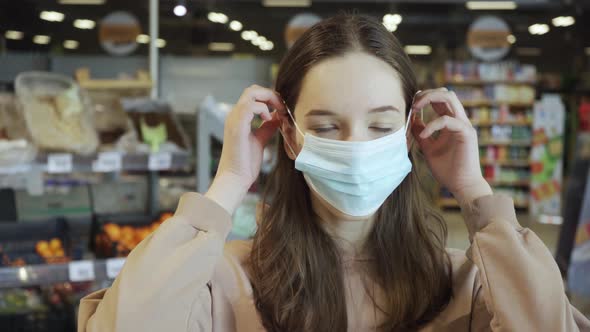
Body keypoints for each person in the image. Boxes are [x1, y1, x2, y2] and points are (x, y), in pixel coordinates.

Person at [78, 14, 590, 332]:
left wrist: (476, 193)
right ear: (290, 134)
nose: (355, 147)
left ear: (411, 133)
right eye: (326, 125)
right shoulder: (223, 281)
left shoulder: (468, 282)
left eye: (380, 125)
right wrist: (229, 182)